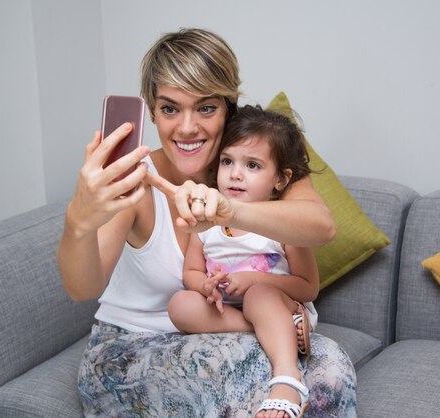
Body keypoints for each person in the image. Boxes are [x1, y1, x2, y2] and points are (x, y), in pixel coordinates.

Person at [57, 28, 356, 417]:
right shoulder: (136, 181)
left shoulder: (257, 162)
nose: (186, 128)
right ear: (151, 111)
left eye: (206, 107)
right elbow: (83, 287)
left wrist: (229, 211)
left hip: (220, 334)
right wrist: (79, 219)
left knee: (328, 368)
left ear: (229, 107)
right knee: (289, 371)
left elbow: (321, 226)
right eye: (169, 108)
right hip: (130, 349)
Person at [169, 105, 319, 418]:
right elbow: (191, 272)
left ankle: (288, 378)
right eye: (227, 161)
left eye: (252, 165)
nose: (235, 173)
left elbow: (309, 287)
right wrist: (205, 284)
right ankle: (277, 331)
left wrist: (254, 280)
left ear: (280, 179)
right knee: (179, 305)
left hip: (275, 302)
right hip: (225, 309)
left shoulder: (283, 225)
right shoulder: (206, 223)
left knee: (258, 295)